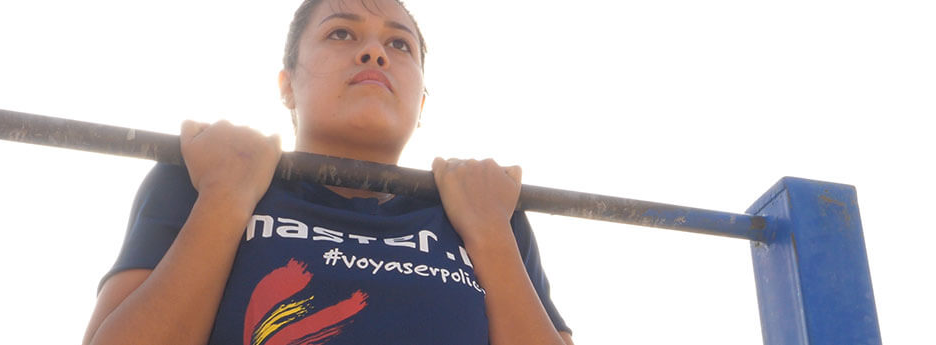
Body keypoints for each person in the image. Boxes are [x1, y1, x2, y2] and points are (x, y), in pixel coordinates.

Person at [80, 0, 574, 344]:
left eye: (400, 45)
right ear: (287, 85)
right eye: (341, 33)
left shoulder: (490, 211)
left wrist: (489, 232)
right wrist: (224, 199)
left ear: (421, 102)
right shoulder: (196, 178)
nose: (375, 52)